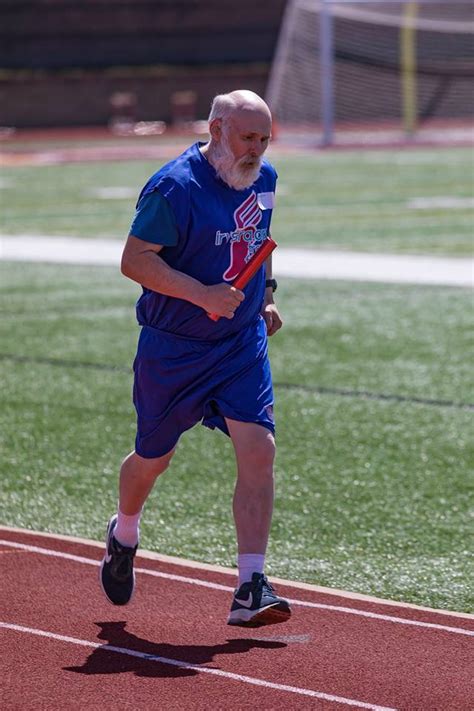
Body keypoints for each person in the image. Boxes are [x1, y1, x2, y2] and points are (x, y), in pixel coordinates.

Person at [99, 89, 291, 627]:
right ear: (216, 128)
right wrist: (203, 294)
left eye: (264, 138)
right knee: (153, 458)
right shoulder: (174, 186)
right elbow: (134, 261)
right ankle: (124, 531)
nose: (255, 149)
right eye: (247, 136)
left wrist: (267, 296)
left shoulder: (265, 179)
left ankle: (250, 585)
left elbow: (259, 241)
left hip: (239, 344)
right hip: (173, 347)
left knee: (260, 449)